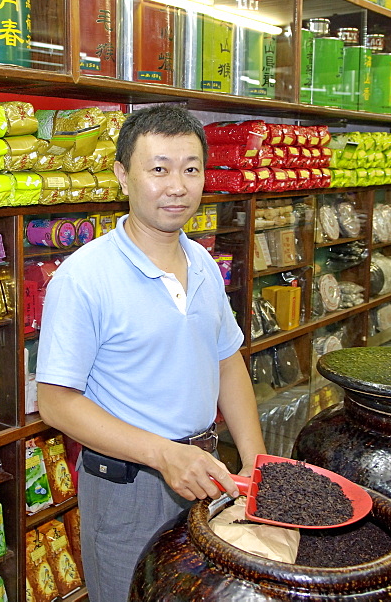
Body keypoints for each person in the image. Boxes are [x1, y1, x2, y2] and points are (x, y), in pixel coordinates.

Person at [36, 104, 267, 602]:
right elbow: (55, 401)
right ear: (123, 175)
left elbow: (226, 360)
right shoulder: (83, 278)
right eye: (158, 169)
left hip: (207, 472)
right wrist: (163, 455)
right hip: (129, 487)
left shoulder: (203, 261)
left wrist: (255, 463)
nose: (177, 186)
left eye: (191, 169)